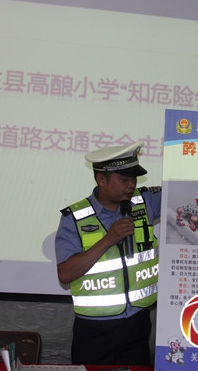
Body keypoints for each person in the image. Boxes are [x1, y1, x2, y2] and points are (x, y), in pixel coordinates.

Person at [55, 141, 161, 365]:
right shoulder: (74, 218)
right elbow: (65, 274)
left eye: (134, 179)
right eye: (124, 179)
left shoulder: (145, 201)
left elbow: (185, 189)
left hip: (138, 323)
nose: (131, 185)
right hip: (95, 330)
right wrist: (108, 240)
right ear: (101, 180)